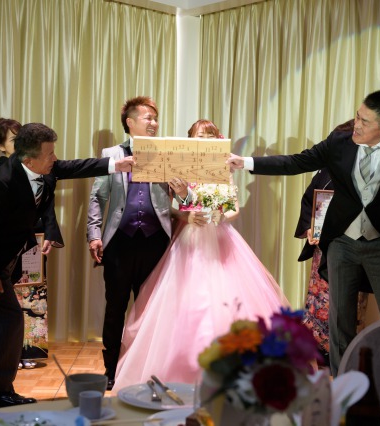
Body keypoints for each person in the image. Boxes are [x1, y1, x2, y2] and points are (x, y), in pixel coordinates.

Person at [228, 90, 380, 375]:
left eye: (365, 122)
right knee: (339, 320)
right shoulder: (339, 143)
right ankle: (343, 379)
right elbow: (296, 162)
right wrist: (246, 162)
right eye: (357, 116)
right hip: (342, 243)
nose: (356, 125)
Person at [0, 122, 134, 407]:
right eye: (50, 154)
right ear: (28, 159)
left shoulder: (43, 167)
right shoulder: (0, 182)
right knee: (11, 320)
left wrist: (116, 164)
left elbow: (74, 167)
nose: (55, 159)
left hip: (7, 259)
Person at [112, 119, 290, 391]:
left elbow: (233, 208)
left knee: (227, 301)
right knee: (186, 302)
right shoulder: (181, 167)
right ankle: (184, 370)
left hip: (221, 240)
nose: (205, 139)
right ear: (191, 139)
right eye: (199, 135)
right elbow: (173, 207)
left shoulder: (223, 167)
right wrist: (186, 210)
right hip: (190, 240)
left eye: (209, 135)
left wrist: (221, 215)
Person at [86, 96, 191, 390]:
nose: (154, 123)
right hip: (119, 242)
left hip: (156, 242)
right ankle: (111, 369)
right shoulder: (112, 154)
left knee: (151, 310)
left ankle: (145, 368)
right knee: (115, 307)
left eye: (156, 118)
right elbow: (98, 197)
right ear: (130, 122)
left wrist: (183, 192)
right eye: (148, 118)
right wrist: (94, 234)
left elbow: (184, 199)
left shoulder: (167, 153)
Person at [295, 120, 371, 367]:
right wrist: (309, 228)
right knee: (321, 299)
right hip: (324, 248)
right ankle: (319, 350)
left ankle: (345, 352)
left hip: (354, 247)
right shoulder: (326, 170)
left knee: (348, 300)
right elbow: (309, 201)